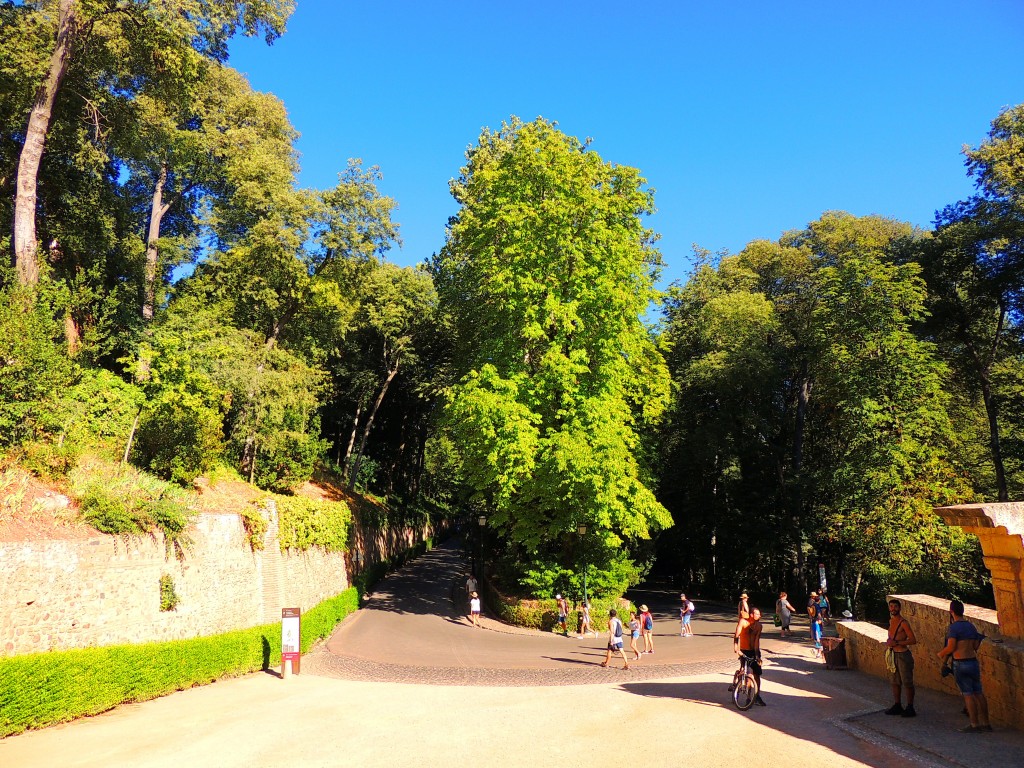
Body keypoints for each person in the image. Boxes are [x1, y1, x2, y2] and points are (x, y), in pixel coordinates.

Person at [937, 599, 991, 732]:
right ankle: (986, 723)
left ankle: (974, 724)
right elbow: (975, 646)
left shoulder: (953, 628)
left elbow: (951, 647)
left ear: (951, 612)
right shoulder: (971, 626)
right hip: (973, 661)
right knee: (979, 693)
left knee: (968, 695)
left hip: (961, 663)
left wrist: (940, 654)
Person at [882, 598, 918, 717]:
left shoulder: (904, 623)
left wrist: (897, 642)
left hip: (903, 655)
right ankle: (897, 705)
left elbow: (913, 640)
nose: (893, 609)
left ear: (900, 608)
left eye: (895, 606)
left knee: (907, 682)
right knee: (895, 681)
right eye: (891, 606)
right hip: (893, 655)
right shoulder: (891, 622)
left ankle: (910, 707)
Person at [733, 606, 766, 706]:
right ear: (751, 615)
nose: (759, 616)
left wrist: (757, 655)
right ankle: (748, 696)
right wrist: (736, 648)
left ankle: (757, 695)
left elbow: (756, 641)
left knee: (757, 674)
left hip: (754, 651)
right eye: (757, 614)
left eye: (759, 614)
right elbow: (736, 635)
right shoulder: (743, 622)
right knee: (748, 674)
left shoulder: (759, 626)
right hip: (744, 650)